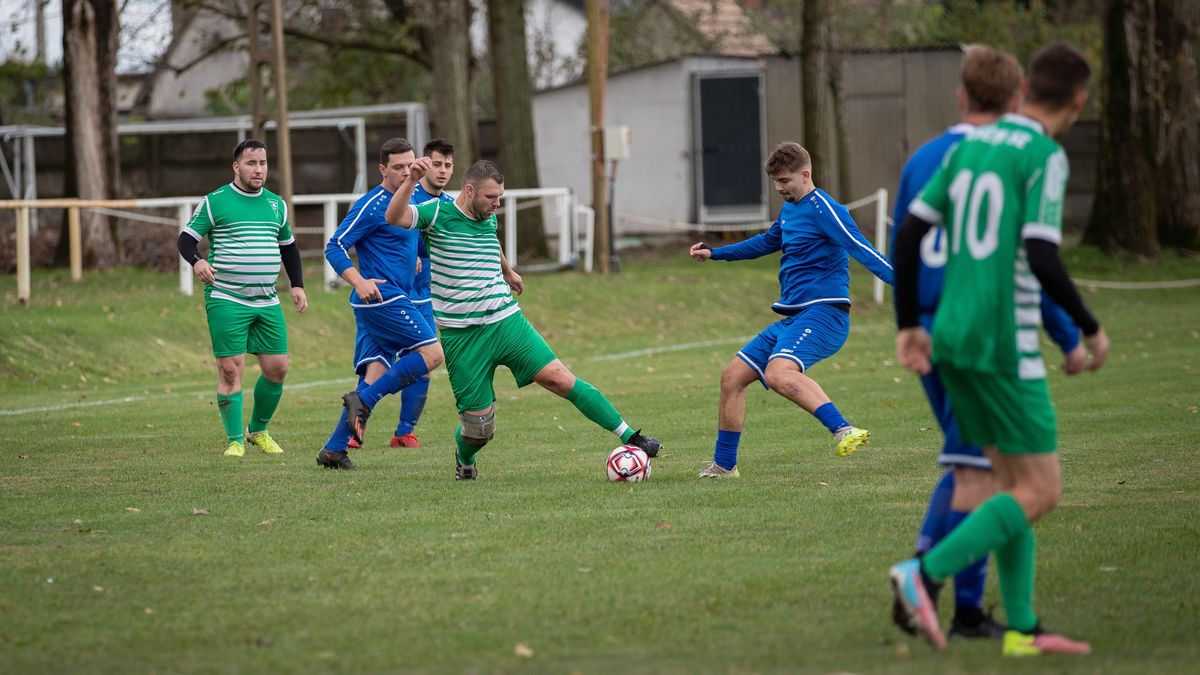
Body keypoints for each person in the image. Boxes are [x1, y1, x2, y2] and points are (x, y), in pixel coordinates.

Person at [889, 42, 1109, 656]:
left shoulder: (970, 146)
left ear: (1024, 90)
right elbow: (1042, 253)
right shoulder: (1043, 153)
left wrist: (909, 323)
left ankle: (1021, 628)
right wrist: (1088, 327)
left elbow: (908, 232)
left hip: (951, 339)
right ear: (1078, 101)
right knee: (1042, 491)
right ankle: (923, 575)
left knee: (1011, 483)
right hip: (1002, 345)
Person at [381, 158, 662, 480]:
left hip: (506, 322)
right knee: (479, 429)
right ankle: (465, 458)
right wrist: (411, 181)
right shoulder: (435, 213)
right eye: (491, 197)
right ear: (469, 190)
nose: (496, 204)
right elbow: (394, 216)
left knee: (560, 378)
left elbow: (490, 242)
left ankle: (632, 437)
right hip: (462, 337)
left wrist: (507, 270)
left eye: (500, 197)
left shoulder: (487, 217)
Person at [689, 142, 895, 478]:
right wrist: (716, 253)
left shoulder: (826, 209)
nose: (779, 188)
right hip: (796, 317)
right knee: (731, 378)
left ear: (805, 173)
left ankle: (843, 429)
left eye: (784, 180)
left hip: (825, 314)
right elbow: (765, 243)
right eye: (775, 182)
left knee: (779, 374)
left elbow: (863, 249)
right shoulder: (791, 210)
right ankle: (724, 466)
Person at [319, 138, 446, 470]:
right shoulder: (372, 204)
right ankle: (363, 402)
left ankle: (333, 450)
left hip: (396, 296)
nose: (405, 172)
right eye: (397, 168)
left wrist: (417, 258)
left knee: (375, 374)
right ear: (382, 170)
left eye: (409, 165)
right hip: (379, 297)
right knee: (432, 355)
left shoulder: (412, 200)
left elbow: (416, 237)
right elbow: (335, 246)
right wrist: (358, 280)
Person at [176, 139, 307, 457]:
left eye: (263, 163)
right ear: (237, 167)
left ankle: (258, 431)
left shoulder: (276, 204)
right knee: (231, 369)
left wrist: (297, 285)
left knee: (277, 368)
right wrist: (198, 262)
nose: (259, 169)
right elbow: (185, 240)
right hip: (226, 297)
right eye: (251, 163)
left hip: (267, 300)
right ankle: (235, 440)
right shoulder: (215, 201)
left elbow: (288, 247)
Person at [346, 138, 457, 450]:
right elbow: (343, 243)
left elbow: (431, 242)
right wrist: (358, 279)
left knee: (395, 364)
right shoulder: (403, 197)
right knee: (420, 356)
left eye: (448, 165)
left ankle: (390, 433)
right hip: (387, 295)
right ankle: (361, 415)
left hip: (419, 295)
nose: (442, 170)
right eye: (436, 163)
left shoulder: (444, 204)